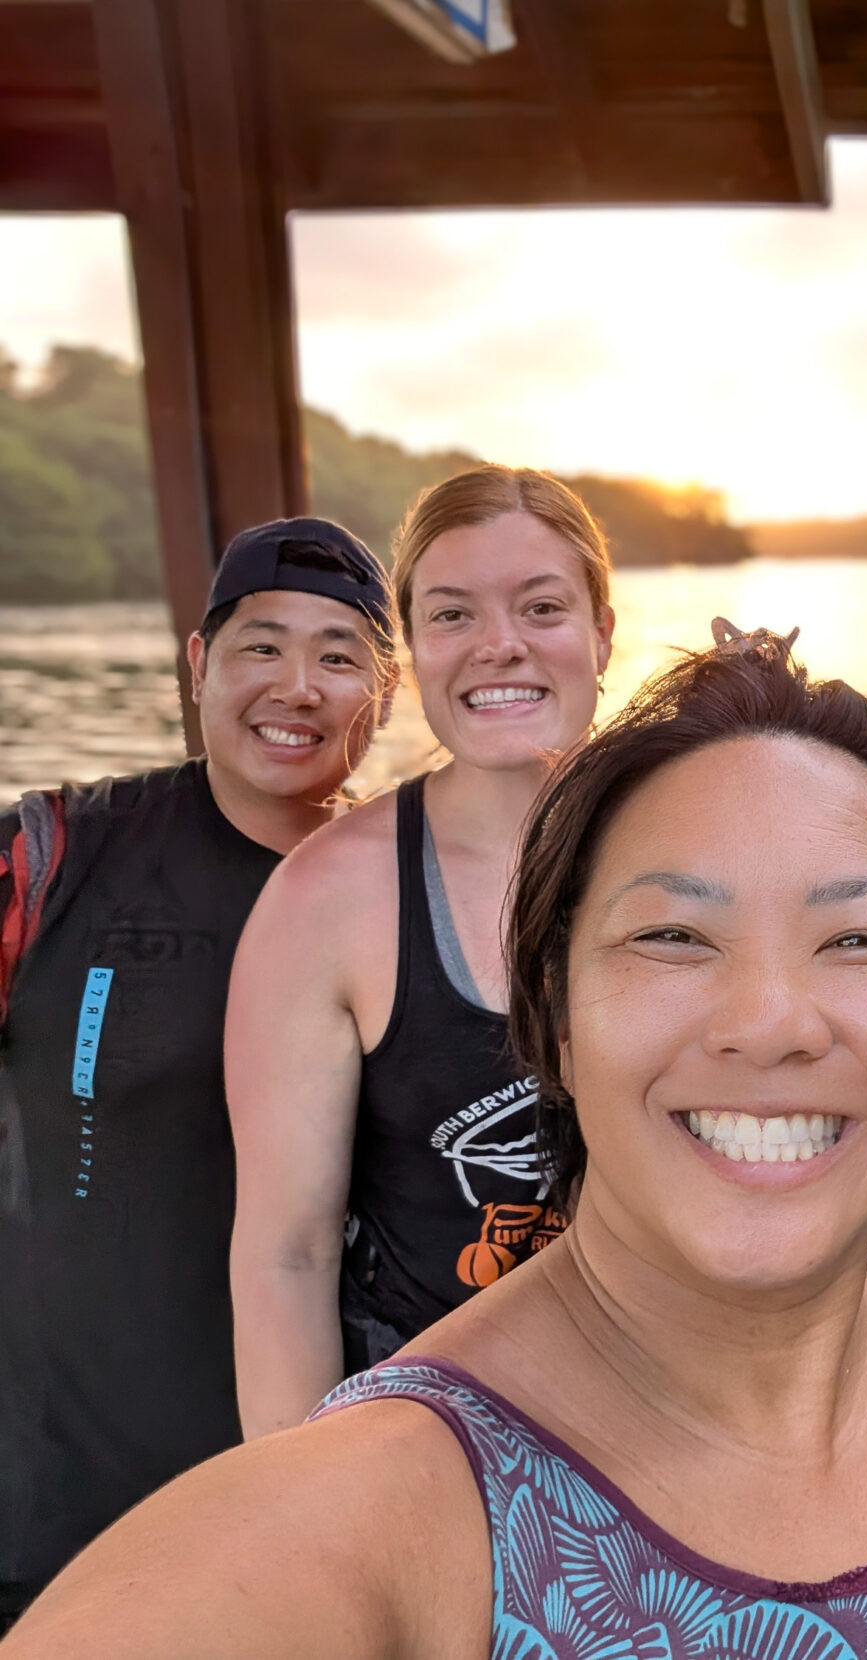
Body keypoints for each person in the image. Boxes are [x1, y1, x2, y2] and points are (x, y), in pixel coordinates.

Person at [2, 627, 867, 1660]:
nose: (769, 1022)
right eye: (671, 934)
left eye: (862, 940)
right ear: (551, 1017)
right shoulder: (385, 1519)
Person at [0, 519, 397, 1629]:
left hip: (289, 1521)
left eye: (339, 654)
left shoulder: (412, 902)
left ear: (387, 688)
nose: (297, 686)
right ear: (196, 666)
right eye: (261, 646)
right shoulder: (51, 860)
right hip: (44, 1514)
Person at [227, 464, 614, 1438]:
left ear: (602, 633)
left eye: (541, 607)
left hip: (666, 1429)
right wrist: (306, 1531)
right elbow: (287, 1257)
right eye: (452, 615)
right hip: (425, 1445)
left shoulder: (707, 847)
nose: (500, 646)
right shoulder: (326, 898)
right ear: (412, 649)